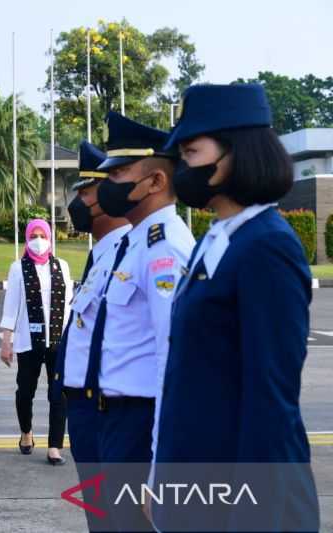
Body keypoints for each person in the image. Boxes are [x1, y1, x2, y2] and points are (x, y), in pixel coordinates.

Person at [150, 84, 319, 532]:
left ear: (236, 152)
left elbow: (270, 398)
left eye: (192, 151)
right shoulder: (218, 238)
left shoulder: (267, 247)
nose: (183, 166)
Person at [86, 112, 194, 530]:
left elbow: (173, 357)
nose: (107, 183)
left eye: (119, 172)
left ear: (156, 182)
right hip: (117, 418)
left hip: (141, 423)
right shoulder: (136, 241)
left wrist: (159, 464)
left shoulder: (164, 247)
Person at [54, 141, 131, 531]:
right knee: (101, 517)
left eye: (86, 189)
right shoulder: (102, 253)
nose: (78, 199)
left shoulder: (130, 252)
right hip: (85, 406)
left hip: (108, 407)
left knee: (120, 518)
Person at [0, 219, 72, 465]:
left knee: (59, 394)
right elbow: (11, 306)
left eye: (43, 235)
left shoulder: (62, 266)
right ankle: (26, 433)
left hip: (58, 340)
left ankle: (54, 447)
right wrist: (6, 341)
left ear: (50, 238)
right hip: (28, 342)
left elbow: (70, 305)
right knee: (25, 391)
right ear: (27, 238)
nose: (38, 240)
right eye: (34, 235)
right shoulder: (18, 268)